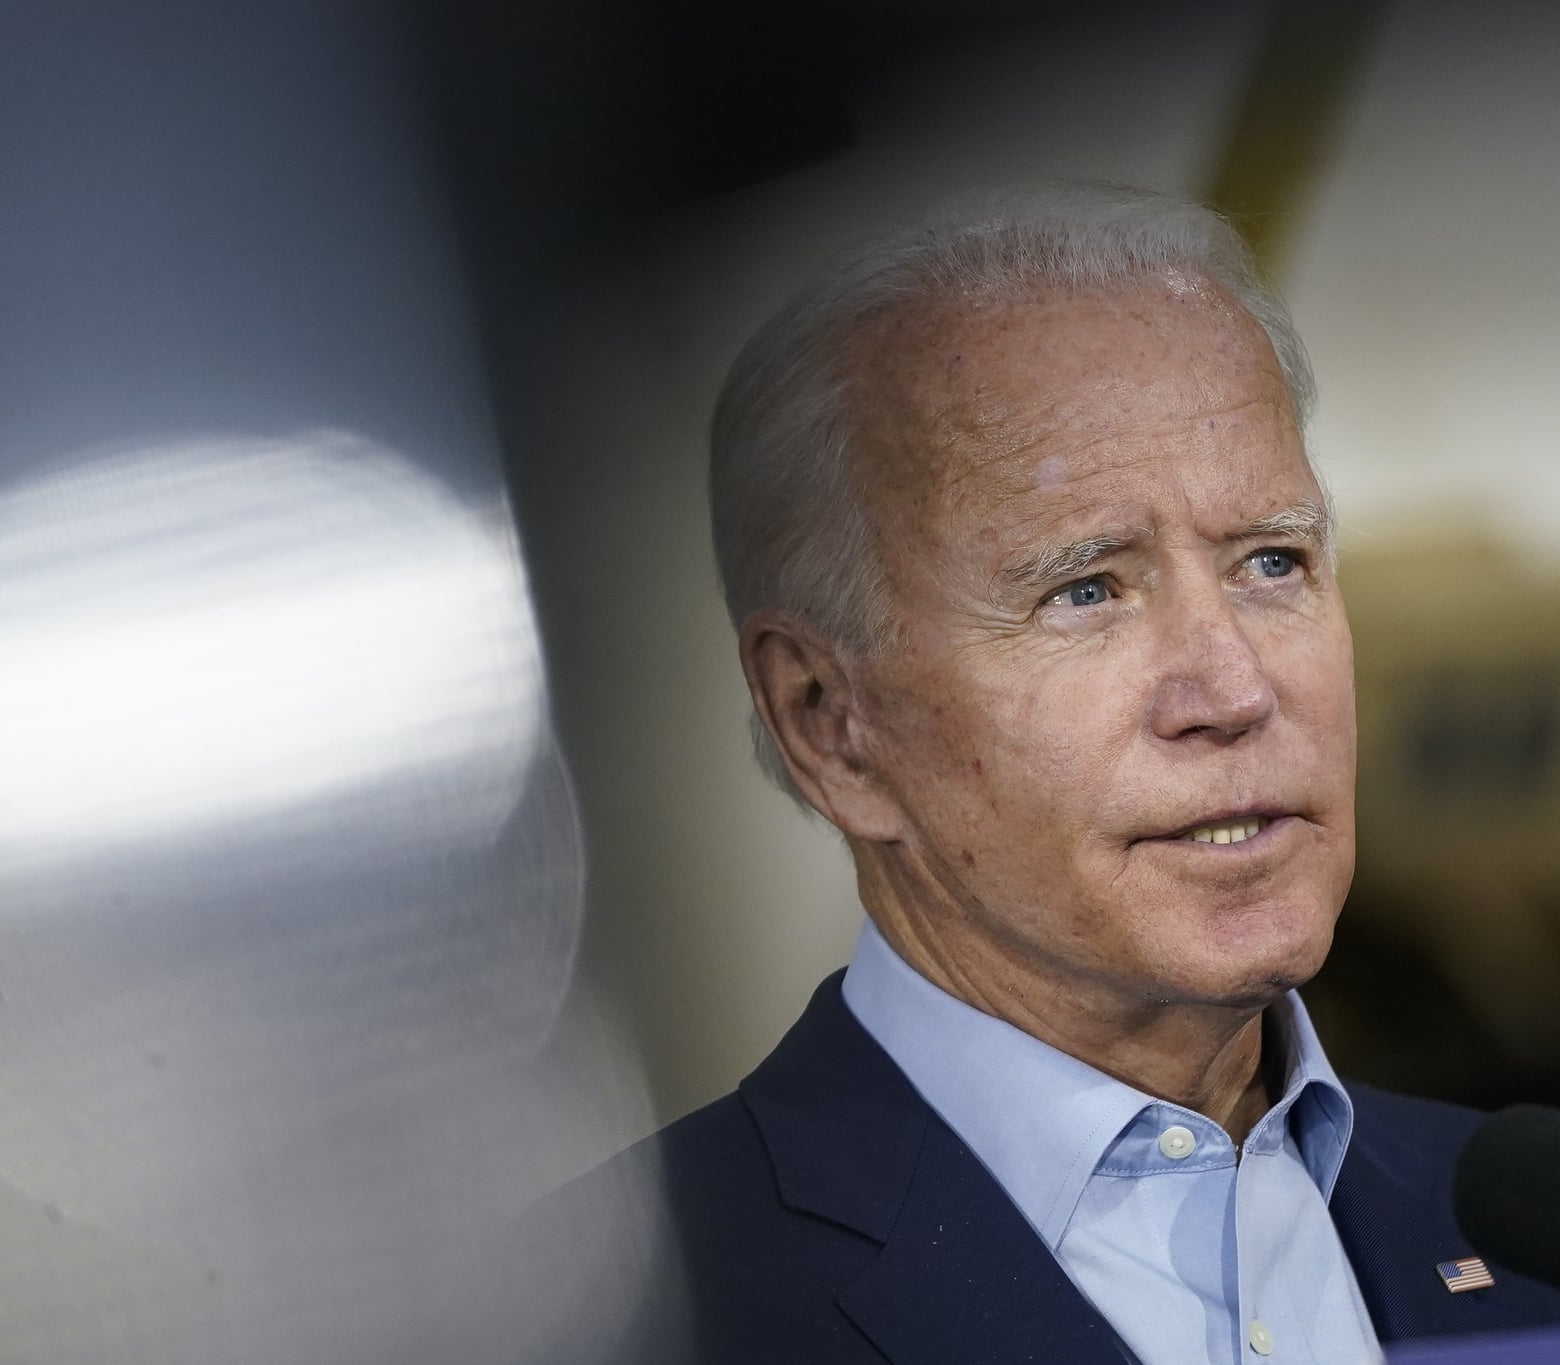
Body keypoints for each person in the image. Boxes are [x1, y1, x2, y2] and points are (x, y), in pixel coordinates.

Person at [514, 183, 1560, 1364]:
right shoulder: (609, 1321)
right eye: (1085, 591)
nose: (1230, 691)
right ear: (828, 723)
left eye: (1271, 562)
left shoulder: (1527, 1228)